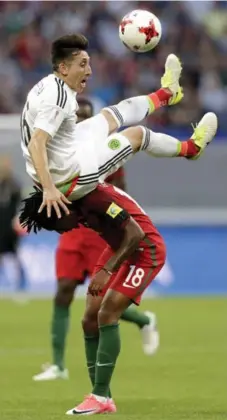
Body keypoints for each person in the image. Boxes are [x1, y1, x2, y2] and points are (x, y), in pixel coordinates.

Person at [20, 33, 218, 219]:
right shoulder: (58, 98)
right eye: (82, 65)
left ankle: (167, 94)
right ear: (63, 68)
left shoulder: (49, 84)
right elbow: (36, 143)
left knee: (111, 114)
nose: (89, 71)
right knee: (137, 134)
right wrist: (49, 189)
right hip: (70, 178)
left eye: (88, 63)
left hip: (62, 156)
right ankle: (191, 148)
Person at [32, 99, 159, 382]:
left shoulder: (105, 149)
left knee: (100, 303)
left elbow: (120, 192)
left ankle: (144, 320)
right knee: (63, 289)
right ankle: (58, 365)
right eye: (76, 116)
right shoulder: (58, 149)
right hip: (73, 227)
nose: (80, 120)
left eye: (85, 116)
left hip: (98, 227)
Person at [0, 156, 27, 292]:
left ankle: (21, 283)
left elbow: (21, 205)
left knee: (14, 255)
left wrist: (19, 220)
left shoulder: (14, 185)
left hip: (10, 228)